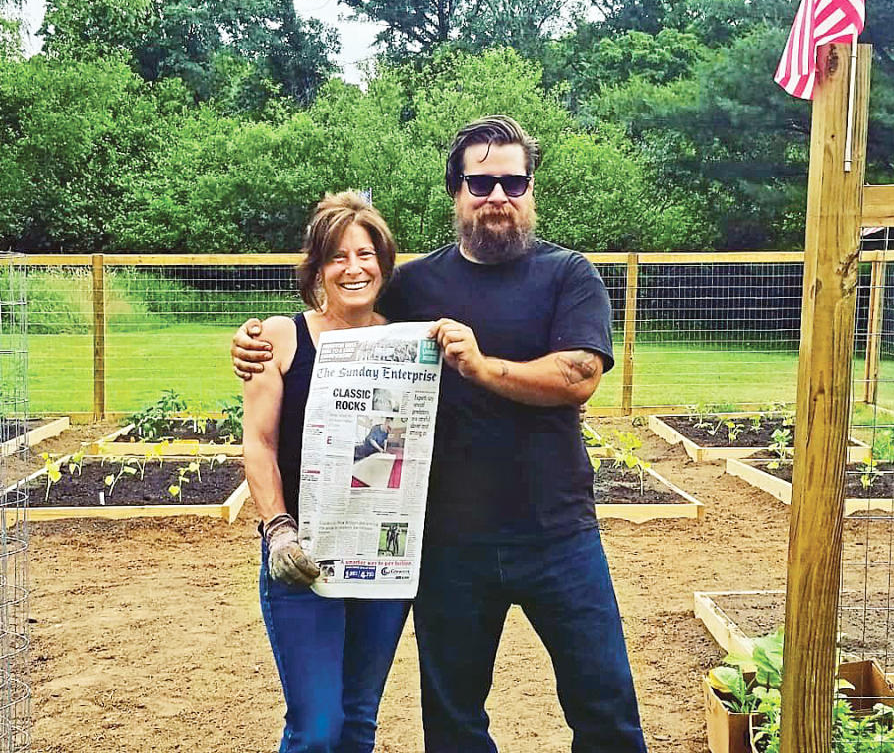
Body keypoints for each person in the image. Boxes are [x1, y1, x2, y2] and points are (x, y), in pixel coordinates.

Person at [234, 116, 647, 753]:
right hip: (448, 547)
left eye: (514, 181)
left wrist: (482, 367)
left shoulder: (569, 275)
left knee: (605, 706)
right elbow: (344, 306)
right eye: (481, 184)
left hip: (558, 534)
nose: (498, 197)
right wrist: (253, 341)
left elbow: (580, 374)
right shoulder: (416, 285)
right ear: (456, 191)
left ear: (531, 189)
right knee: (453, 723)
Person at [242, 191, 409, 753]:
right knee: (316, 731)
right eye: (338, 256)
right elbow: (259, 445)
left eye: (366, 254)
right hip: (303, 562)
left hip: (381, 560)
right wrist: (277, 529)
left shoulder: (409, 341)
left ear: (384, 263)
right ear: (317, 268)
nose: (354, 268)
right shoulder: (280, 339)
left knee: (359, 721)